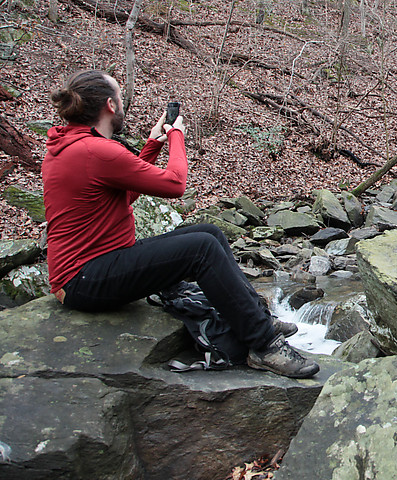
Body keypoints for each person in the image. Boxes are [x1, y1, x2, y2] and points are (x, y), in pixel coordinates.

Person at [42, 69, 319, 379]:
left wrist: (152, 144)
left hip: (94, 268)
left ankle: (258, 318)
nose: (122, 103)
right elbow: (175, 184)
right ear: (110, 105)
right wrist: (176, 136)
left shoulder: (75, 146)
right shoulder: (96, 150)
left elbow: (125, 195)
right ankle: (264, 346)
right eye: (120, 97)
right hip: (84, 279)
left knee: (209, 232)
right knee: (201, 249)